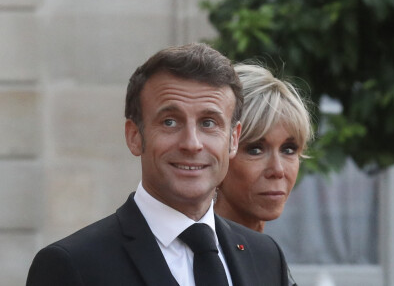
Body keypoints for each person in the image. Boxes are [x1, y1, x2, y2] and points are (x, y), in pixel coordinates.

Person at [26, 43, 291, 286]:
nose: (192, 143)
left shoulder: (267, 258)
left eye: (208, 123)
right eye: (170, 122)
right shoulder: (72, 266)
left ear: (233, 139)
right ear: (134, 136)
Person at [214, 64, 313, 286]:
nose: (278, 170)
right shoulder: (192, 259)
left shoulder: (267, 257)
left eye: (289, 149)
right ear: (218, 154)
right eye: (255, 149)